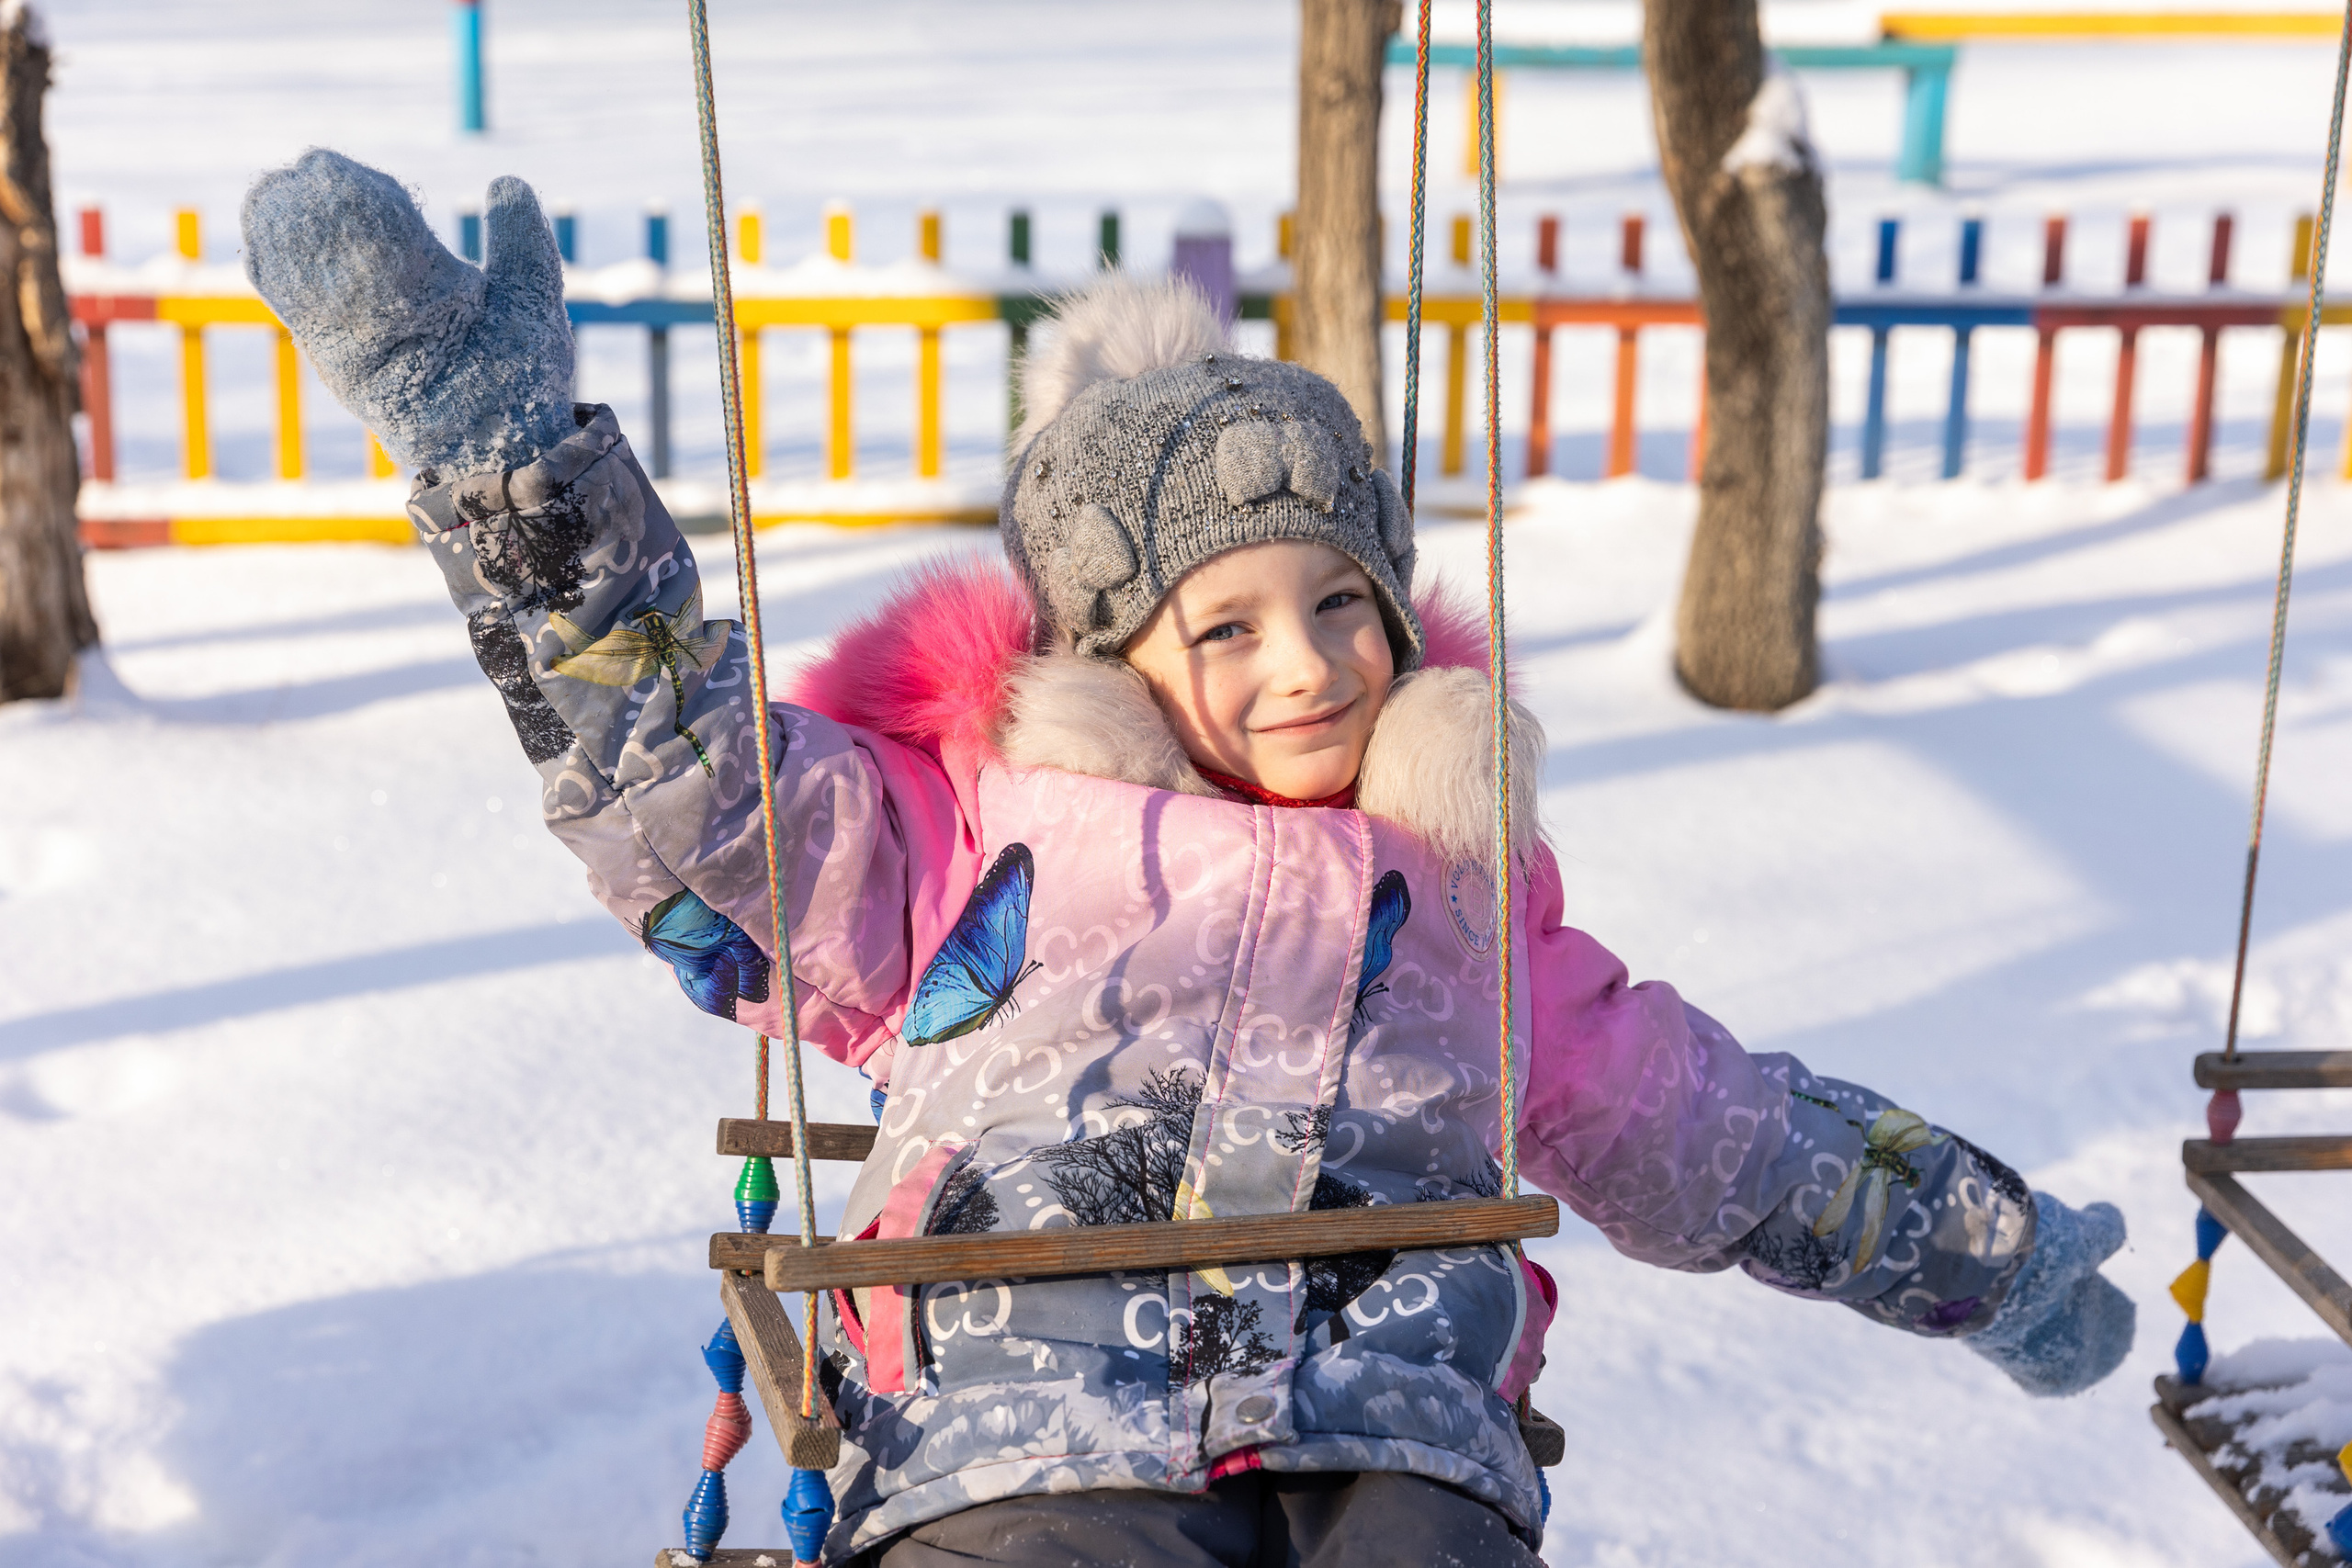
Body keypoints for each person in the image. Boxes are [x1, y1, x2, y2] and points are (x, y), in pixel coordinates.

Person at [241, 152, 2134, 1568]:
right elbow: (675, 776)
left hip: (1395, 1423)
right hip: (1017, 1431)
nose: (1305, 662)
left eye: (1341, 602)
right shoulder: (946, 845)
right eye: (1220, 628)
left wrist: (1993, 1255)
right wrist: (496, 452)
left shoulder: (1460, 917)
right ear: (1103, 657)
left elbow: (1712, 1124)